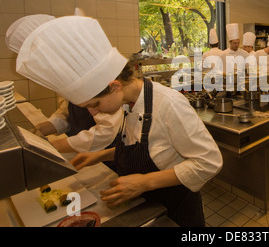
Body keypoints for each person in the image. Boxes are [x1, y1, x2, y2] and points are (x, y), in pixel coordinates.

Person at [9, 15, 223, 227]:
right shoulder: (127, 103)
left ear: (115, 86)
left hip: (175, 209)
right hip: (147, 203)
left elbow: (208, 162)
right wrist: (100, 155)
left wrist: (145, 182)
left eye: (95, 104)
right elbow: (148, 145)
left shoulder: (168, 104)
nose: (93, 112)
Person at [5, 11, 122, 160]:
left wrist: (52, 146)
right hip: (80, 151)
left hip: (105, 155)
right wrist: (45, 127)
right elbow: (67, 112)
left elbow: (106, 131)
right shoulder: (64, 73)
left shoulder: (92, 71)